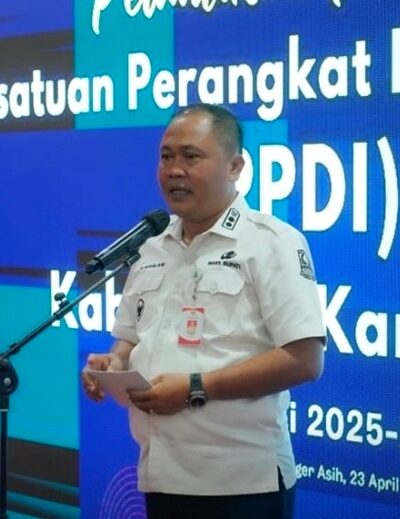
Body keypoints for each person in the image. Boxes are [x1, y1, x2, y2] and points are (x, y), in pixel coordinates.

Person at [82, 103, 326, 519]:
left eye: (191, 157)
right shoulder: (151, 248)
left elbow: (305, 360)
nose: (174, 170)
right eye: (166, 156)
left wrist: (195, 387)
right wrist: (114, 362)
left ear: (234, 167)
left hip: (242, 485)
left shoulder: (271, 242)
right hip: (160, 476)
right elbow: (129, 337)